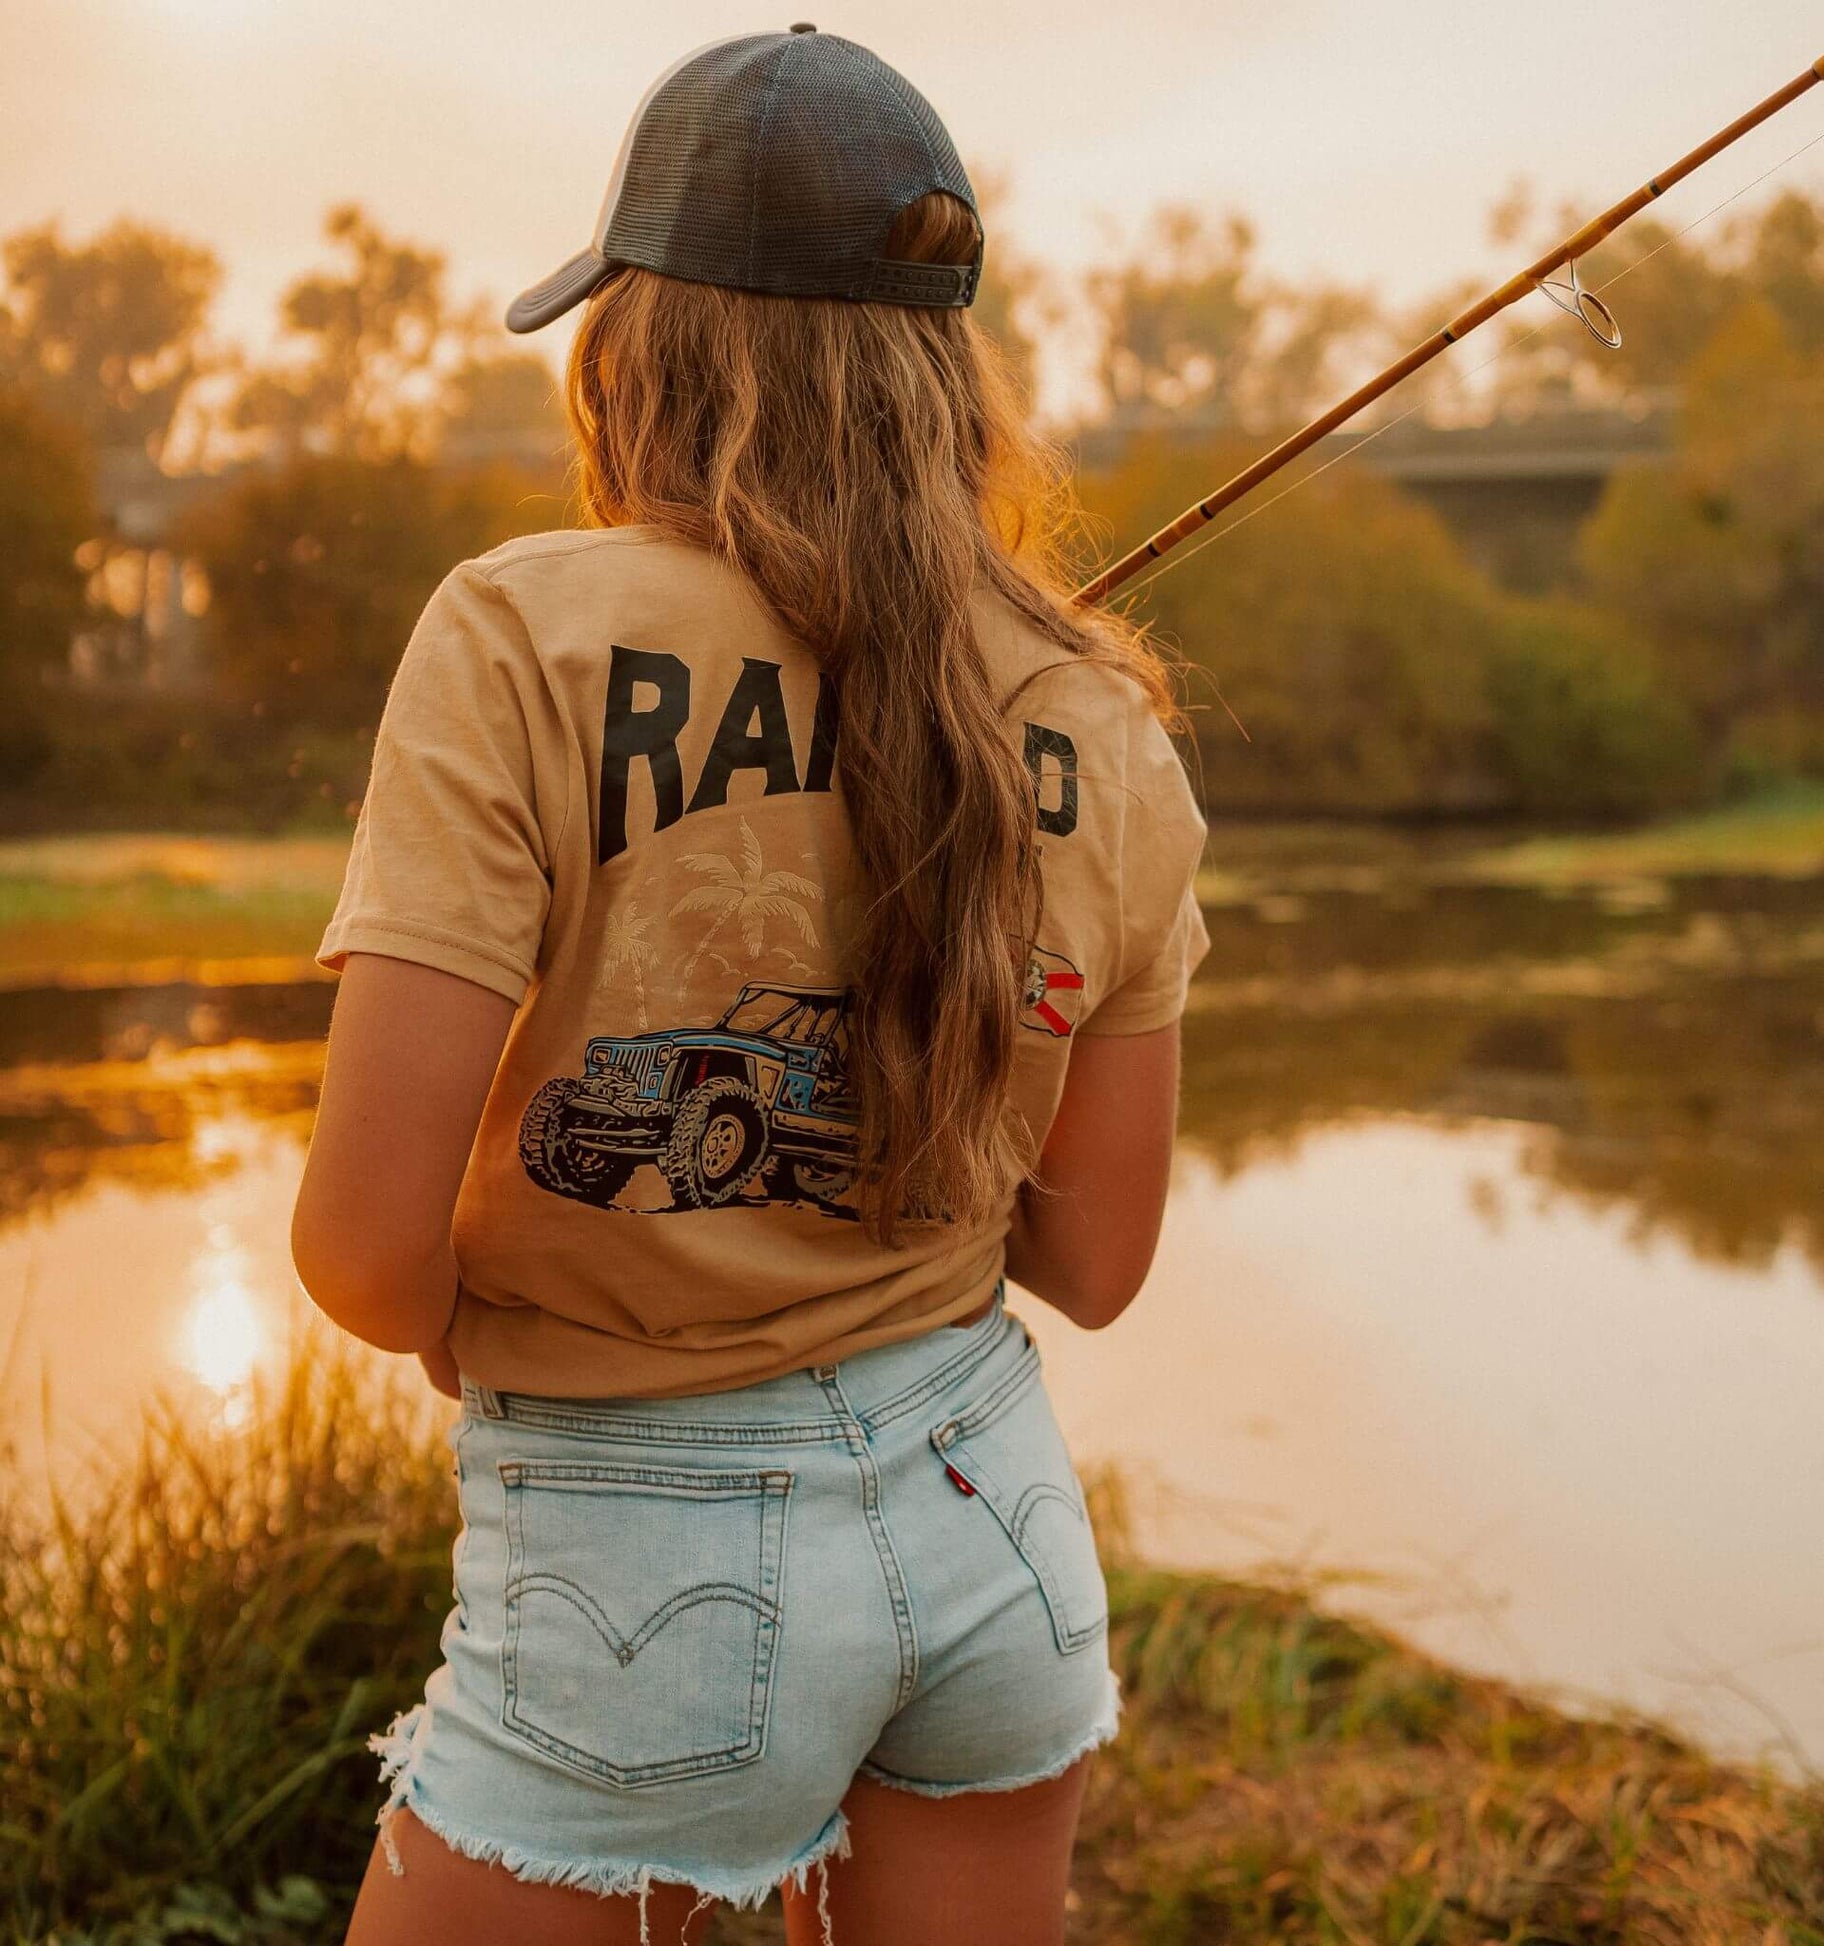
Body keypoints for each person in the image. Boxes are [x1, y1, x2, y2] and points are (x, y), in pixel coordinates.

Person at [291, 25, 1208, 1946]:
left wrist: (489, 1302)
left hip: (639, 1559)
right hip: (993, 1526)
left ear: (637, 347)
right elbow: (1098, 1255)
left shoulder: (516, 633)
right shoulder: (1098, 712)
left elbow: (363, 1251)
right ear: (940, 364)